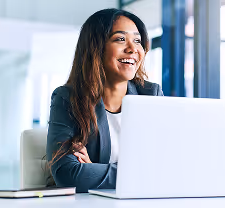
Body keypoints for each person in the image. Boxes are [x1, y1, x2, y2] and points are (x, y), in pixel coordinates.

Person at [46, 8, 163, 193]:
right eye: (120, 39)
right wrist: (137, 172)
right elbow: (67, 174)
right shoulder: (68, 98)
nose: (133, 49)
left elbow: (165, 166)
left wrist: (94, 168)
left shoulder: (150, 94)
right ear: (96, 48)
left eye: (138, 41)